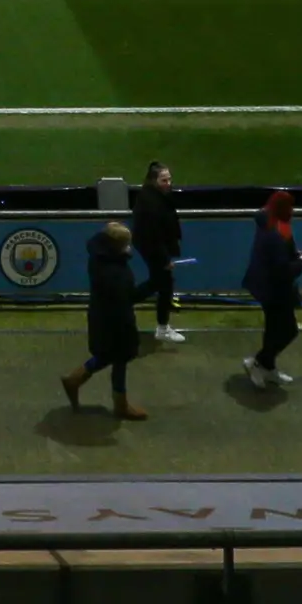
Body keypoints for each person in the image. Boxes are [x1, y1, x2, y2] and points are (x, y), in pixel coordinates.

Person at [59, 221, 147, 421]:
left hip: (101, 315)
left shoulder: (100, 259)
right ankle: (120, 405)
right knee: (119, 358)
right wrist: (155, 283)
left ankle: (75, 380)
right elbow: (130, 297)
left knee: (108, 356)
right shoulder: (116, 271)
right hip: (116, 321)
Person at [240, 190, 302, 388]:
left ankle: (267, 366)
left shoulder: (270, 223)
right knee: (288, 331)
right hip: (274, 290)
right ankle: (258, 363)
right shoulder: (276, 233)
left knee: (273, 329)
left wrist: (294, 256)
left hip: (268, 287)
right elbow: (282, 271)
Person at [133, 162, 188, 344]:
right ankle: (161, 327)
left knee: (162, 283)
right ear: (153, 180)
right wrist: (164, 259)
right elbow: (153, 235)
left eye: (169, 179)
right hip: (153, 248)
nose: (168, 183)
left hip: (154, 246)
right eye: (164, 180)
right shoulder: (151, 202)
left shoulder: (156, 196)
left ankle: (121, 304)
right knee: (163, 283)